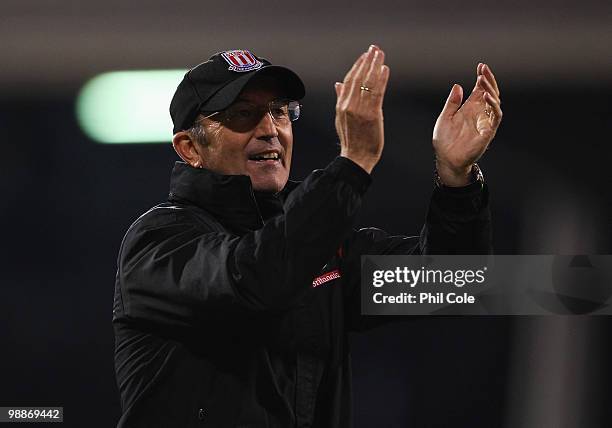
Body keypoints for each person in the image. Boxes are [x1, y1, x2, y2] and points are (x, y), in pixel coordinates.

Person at [113, 46, 502, 427]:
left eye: (280, 112)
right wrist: (353, 164)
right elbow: (257, 279)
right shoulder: (158, 242)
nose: (270, 130)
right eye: (243, 115)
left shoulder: (324, 249)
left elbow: (453, 287)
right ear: (190, 148)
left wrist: (457, 180)